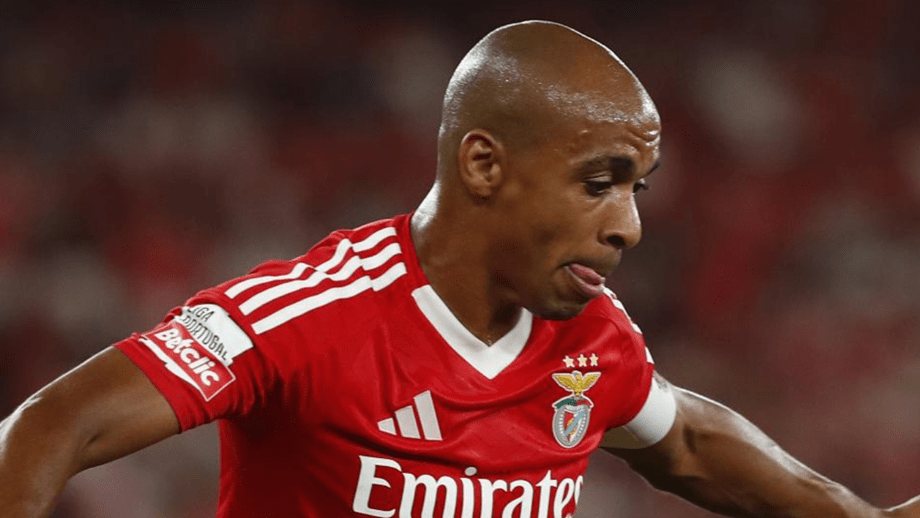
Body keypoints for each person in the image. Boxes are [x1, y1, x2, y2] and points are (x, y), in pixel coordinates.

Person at [0, 20, 917, 518]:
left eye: (636, 188)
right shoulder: (309, 316)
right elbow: (49, 428)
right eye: (599, 183)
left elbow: (687, 443)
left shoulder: (591, 337)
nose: (629, 227)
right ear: (484, 165)